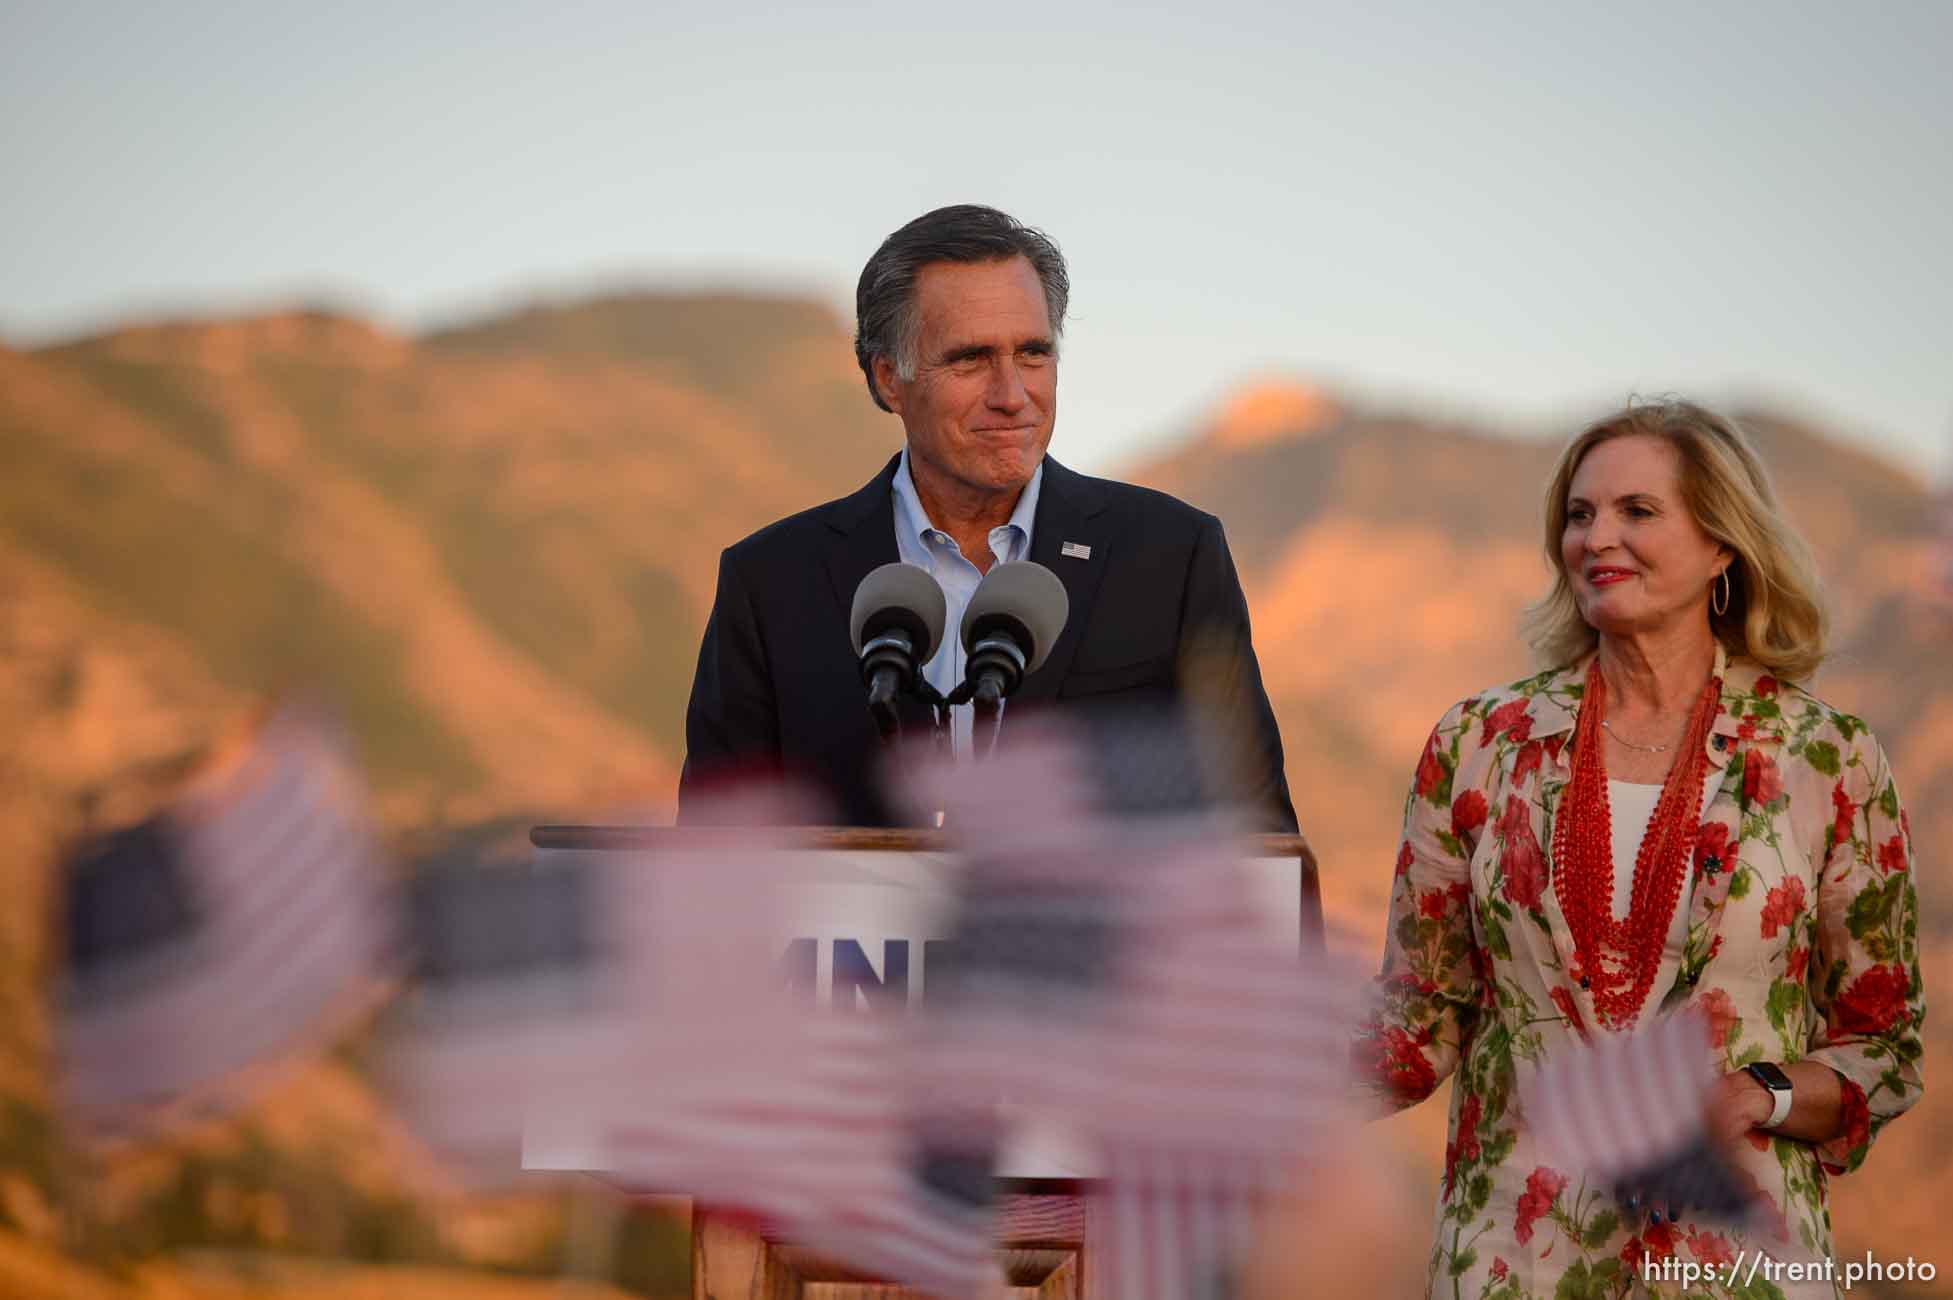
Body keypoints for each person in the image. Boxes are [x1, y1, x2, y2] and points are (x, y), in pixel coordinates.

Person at [1354, 400, 1924, 1298]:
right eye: (1578, 516)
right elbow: (1419, 1018)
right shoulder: (1478, 744)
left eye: (1636, 512)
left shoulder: (1827, 756)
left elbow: (1883, 1044)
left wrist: (1757, 1093)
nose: (1596, 539)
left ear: (1722, 545)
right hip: (1514, 1258)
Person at [678, 204, 1294, 829]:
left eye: (1033, 353)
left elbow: (1259, 836)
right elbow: (714, 856)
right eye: (970, 359)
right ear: (889, 378)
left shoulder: (1172, 557)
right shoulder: (771, 582)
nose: (1011, 395)